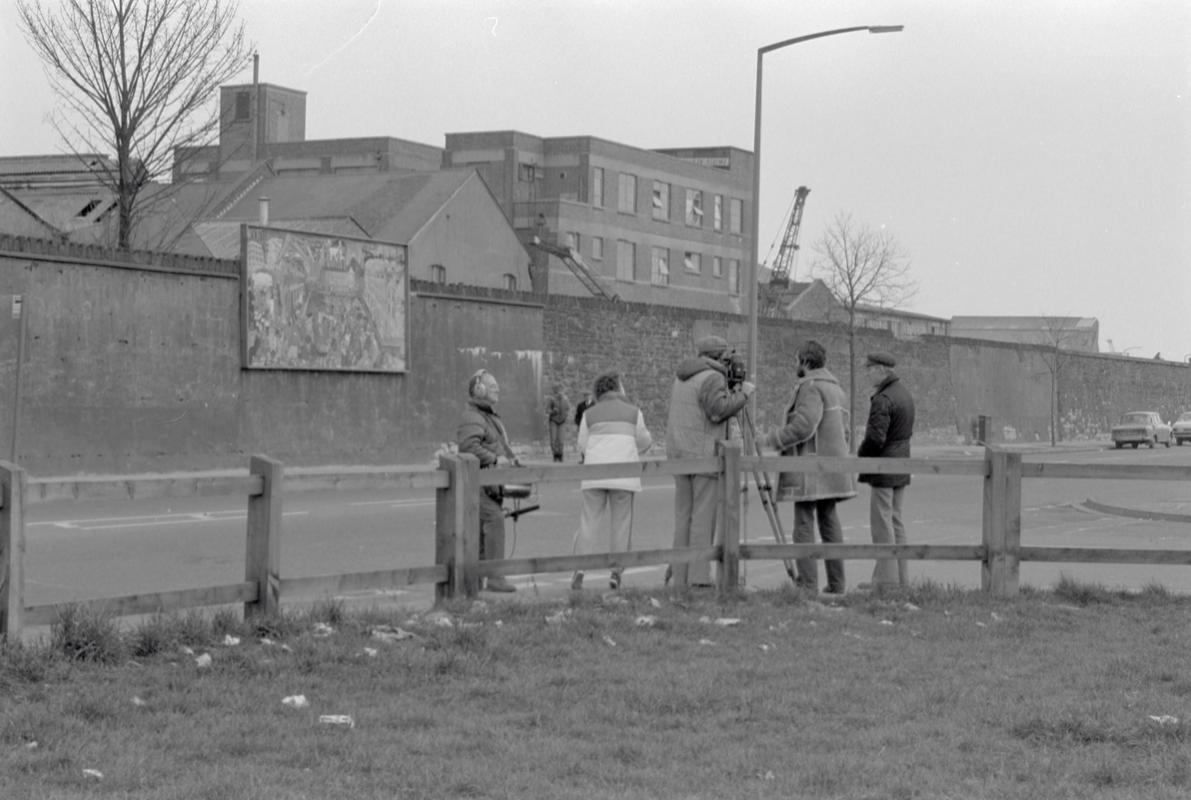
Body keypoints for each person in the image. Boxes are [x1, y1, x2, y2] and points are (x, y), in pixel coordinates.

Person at [764, 340, 856, 594]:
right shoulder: (836, 388)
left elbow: (804, 426)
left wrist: (774, 439)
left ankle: (807, 585)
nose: (795, 364)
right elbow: (846, 430)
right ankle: (837, 585)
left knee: (803, 524)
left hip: (810, 469)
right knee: (829, 522)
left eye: (796, 359)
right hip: (833, 467)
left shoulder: (811, 387)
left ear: (804, 361)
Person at [665, 335, 754, 587]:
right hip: (702, 455)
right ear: (719, 357)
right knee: (703, 519)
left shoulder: (683, 375)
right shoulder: (712, 377)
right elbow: (717, 411)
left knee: (683, 517)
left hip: (680, 454)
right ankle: (699, 579)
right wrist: (743, 395)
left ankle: (680, 577)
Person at [571, 372, 652, 591]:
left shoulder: (589, 414)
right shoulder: (634, 413)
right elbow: (644, 441)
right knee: (621, 524)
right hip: (624, 475)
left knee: (589, 522)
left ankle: (579, 569)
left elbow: (582, 445)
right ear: (618, 388)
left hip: (594, 474)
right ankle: (616, 572)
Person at [455, 369, 521, 592]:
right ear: (479, 390)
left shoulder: (485, 416)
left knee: (484, 531)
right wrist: (496, 458)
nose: (498, 389)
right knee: (494, 522)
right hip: (481, 484)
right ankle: (493, 578)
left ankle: (479, 582)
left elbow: (493, 444)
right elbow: (468, 447)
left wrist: (510, 458)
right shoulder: (474, 416)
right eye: (492, 386)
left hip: (488, 484)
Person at [857, 352, 916, 589]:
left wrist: (862, 456)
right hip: (902, 464)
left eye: (870, 368)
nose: (867, 373)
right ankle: (901, 580)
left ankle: (885, 582)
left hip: (884, 467)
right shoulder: (904, 393)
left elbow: (875, 438)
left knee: (882, 526)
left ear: (882, 370)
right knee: (896, 522)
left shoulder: (883, 398)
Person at [544, 383, 571, 462]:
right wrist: (552, 411)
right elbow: (547, 410)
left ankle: (560, 454)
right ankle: (555, 454)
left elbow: (568, 409)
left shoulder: (565, 399)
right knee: (553, 439)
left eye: (560, 389)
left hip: (562, 421)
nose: (559, 391)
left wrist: (566, 415)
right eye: (557, 389)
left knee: (561, 440)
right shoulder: (551, 399)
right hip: (553, 420)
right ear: (555, 390)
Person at [573, 391, 595, 463]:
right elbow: (577, 416)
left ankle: (591, 458)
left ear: (591, 396)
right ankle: (583, 458)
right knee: (583, 441)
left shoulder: (595, 404)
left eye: (588, 395)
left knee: (591, 442)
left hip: (592, 426)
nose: (587, 397)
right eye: (585, 395)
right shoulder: (580, 405)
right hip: (583, 426)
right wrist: (579, 424)